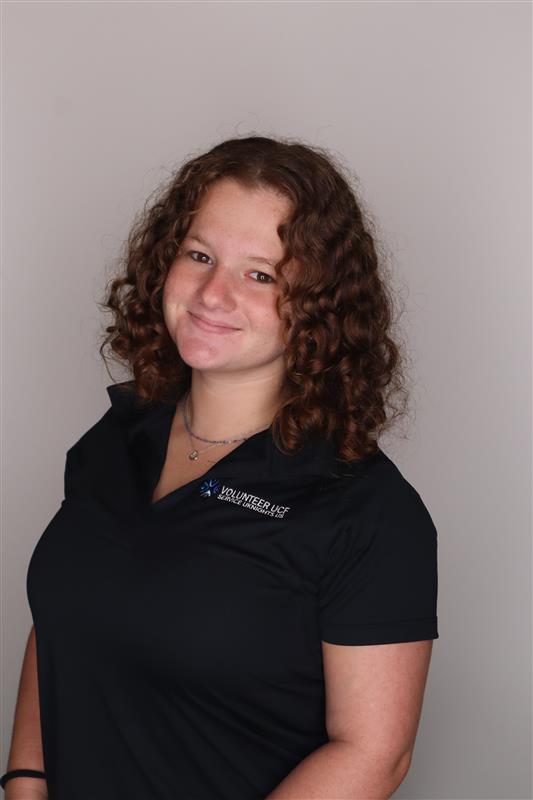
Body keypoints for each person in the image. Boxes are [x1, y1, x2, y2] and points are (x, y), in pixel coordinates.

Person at [3, 135, 439, 800]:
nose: (212, 294)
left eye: (260, 275)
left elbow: (373, 755)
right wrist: (25, 782)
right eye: (199, 255)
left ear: (319, 306)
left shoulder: (367, 510)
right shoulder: (116, 439)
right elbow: (65, 620)